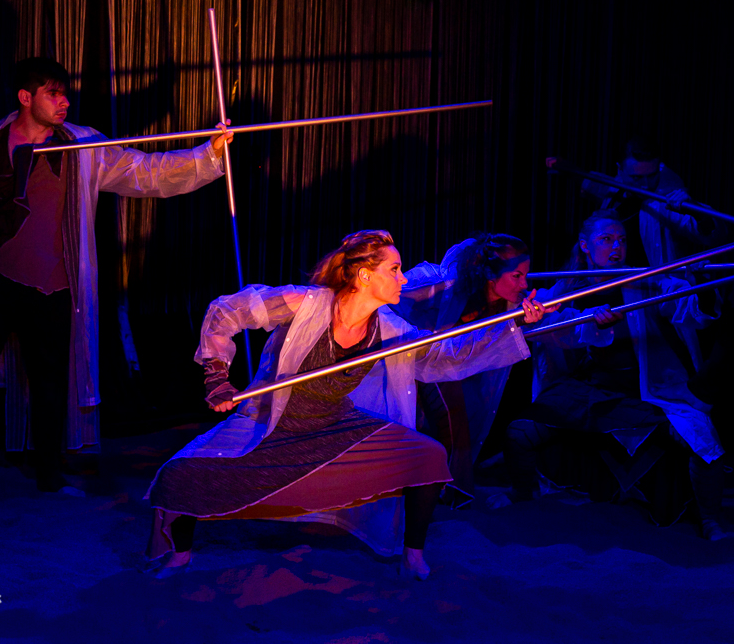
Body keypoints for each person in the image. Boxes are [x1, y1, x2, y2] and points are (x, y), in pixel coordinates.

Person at [143, 231, 555, 580]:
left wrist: (517, 322)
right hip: (274, 421)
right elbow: (227, 310)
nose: (403, 277)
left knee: (428, 457)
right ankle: (180, 556)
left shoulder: (389, 327)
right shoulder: (306, 303)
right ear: (364, 275)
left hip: (337, 424)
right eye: (394, 269)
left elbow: (443, 357)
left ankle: (412, 556)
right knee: (179, 474)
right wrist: (216, 376)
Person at [0, 57, 233, 500]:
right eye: (53, 93)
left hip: (55, 284)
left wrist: (208, 153)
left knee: (51, 382)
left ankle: (50, 475)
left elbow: (144, 171)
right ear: (26, 97)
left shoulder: (83, 145)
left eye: (64, 93)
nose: (64, 101)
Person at [504, 211, 728, 539]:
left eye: (622, 240)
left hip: (645, 390)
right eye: (606, 239)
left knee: (701, 436)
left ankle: (710, 520)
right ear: (585, 246)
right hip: (591, 388)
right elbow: (545, 323)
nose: (616, 247)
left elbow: (687, 307)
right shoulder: (567, 288)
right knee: (520, 432)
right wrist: (557, 316)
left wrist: (700, 285)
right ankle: (524, 493)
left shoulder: (647, 280)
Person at [394, 233, 534, 504]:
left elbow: (552, 319)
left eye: (525, 276)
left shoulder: (511, 304)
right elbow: (394, 299)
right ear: (491, 274)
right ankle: (443, 489)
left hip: (445, 369)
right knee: (437, 418)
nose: (524, 284)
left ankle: (451, 490)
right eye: (517, 276)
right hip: (414, 359)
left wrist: (594, 317)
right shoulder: (445, 287)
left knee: (456, 419)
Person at [557, 137, 717, 268]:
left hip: (651, 290)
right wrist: (567, 168)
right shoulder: (616, 190)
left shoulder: (666, 201)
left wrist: (696, 211)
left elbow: (711, 235)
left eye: (652, 175)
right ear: (620, 170)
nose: (645, 185)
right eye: (637, 178)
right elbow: (595, 184)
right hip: (612, 284)